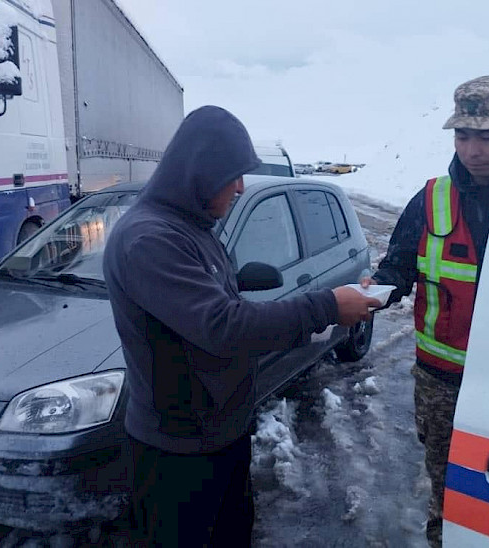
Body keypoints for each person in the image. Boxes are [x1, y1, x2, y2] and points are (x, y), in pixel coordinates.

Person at [103, 105, 380, 546]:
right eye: (232, 174)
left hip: (218, 433)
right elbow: (223, 325)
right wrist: (325, 306)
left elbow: (222, 298)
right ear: (199, 170)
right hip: (177, 452)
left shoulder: (195, 227)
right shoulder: (149, 237)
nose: (240, 186)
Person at [363, 74, 489, 547]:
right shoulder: (431, 199)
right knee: (449, 497)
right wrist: (370, 293)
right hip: (442, 389)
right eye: (463, 135)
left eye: (487, 136)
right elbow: (396, 269)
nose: (473, 150)